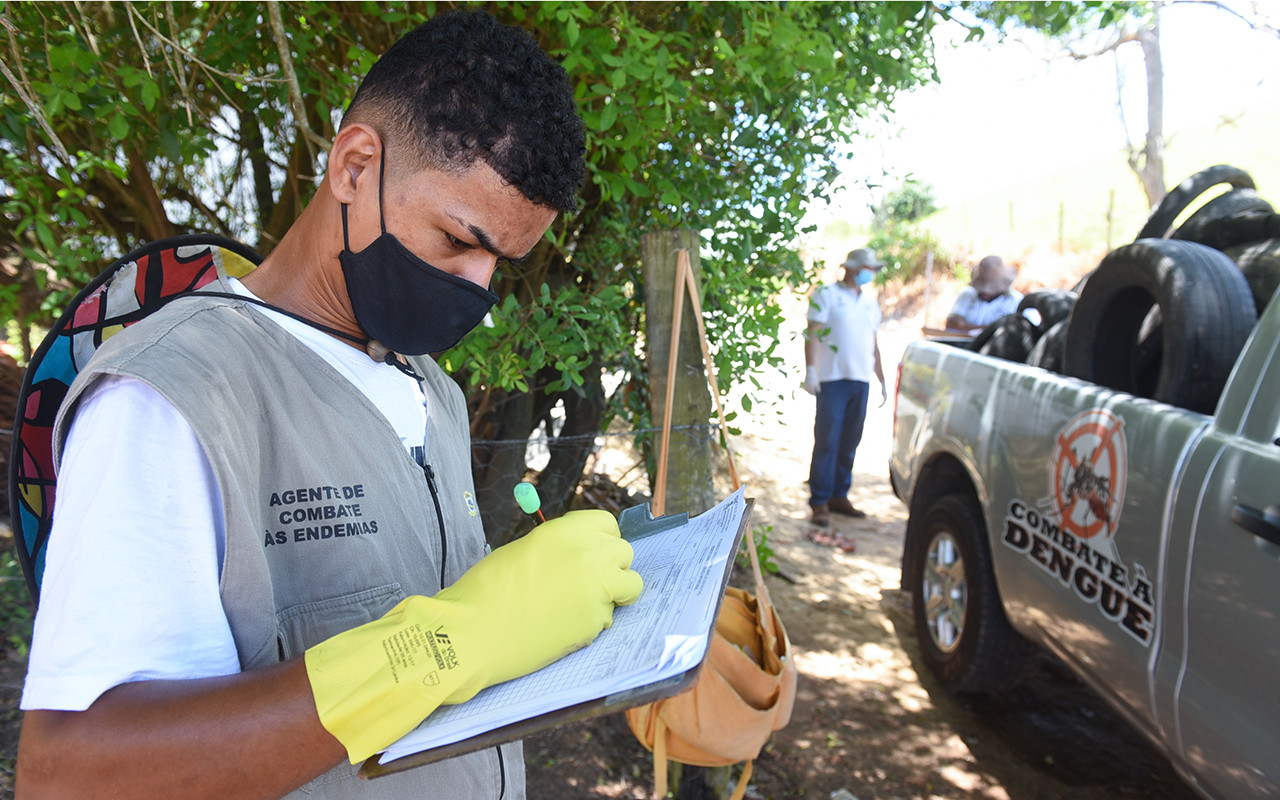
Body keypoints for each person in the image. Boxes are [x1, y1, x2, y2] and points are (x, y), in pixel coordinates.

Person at [16, 11, 643, 800]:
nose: (478, 288)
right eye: (457, 239)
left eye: (502, 262)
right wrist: (444, 646)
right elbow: (70, 773)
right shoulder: (174, 395)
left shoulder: (433, 393)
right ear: (354, 167)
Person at [802, 248, 886, 527]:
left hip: (859, 379)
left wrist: (882, 378)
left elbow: (873, 343)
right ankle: (820, 500)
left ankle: (840, 494)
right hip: (831, 378)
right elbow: (812, 332)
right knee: (827, 439)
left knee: (850, 440)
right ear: (851, 268)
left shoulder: (870, 304)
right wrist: (811, 369)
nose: (870, 273)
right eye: (867, 268)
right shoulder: (827, 295)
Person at [944, 255, 1023, 334]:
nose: (986, 293)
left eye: (992, 289)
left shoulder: (1016, 301)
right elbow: (952, 323)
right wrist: (985, 329)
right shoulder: (967, 295)